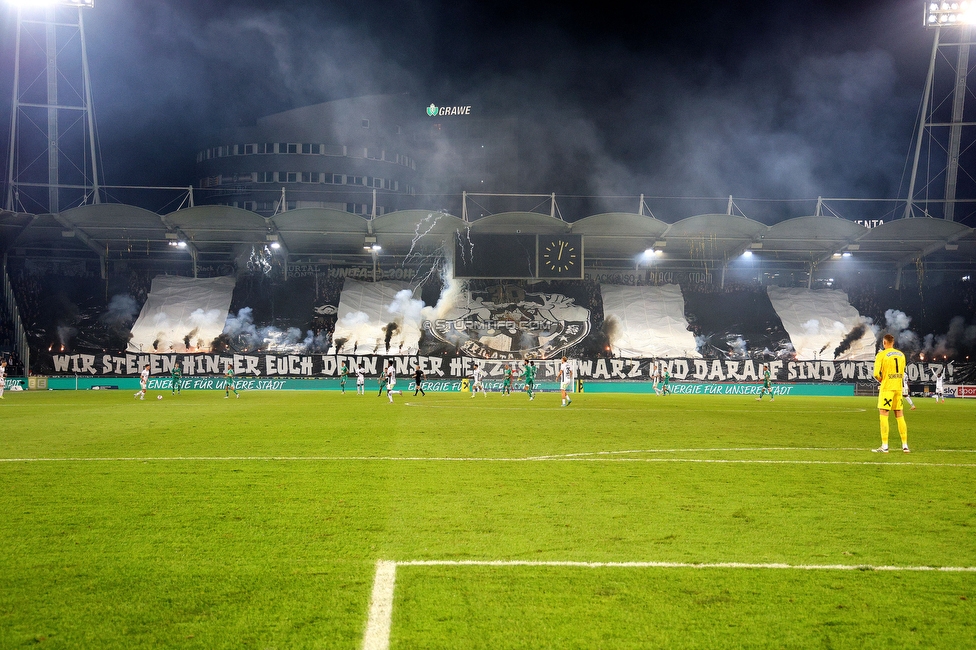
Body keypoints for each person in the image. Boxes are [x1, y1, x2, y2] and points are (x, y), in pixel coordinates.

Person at [872, 333, 909, 453]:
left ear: (884, 342)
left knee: (883, 414)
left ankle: (885, 446)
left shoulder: (881, 355)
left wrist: (882, 380)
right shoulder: (901, 355)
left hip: (887, 388)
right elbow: (903, 373)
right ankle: (905, 445)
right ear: (893, 342)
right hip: (898, 388)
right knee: (899, 414)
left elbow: (876, 374)